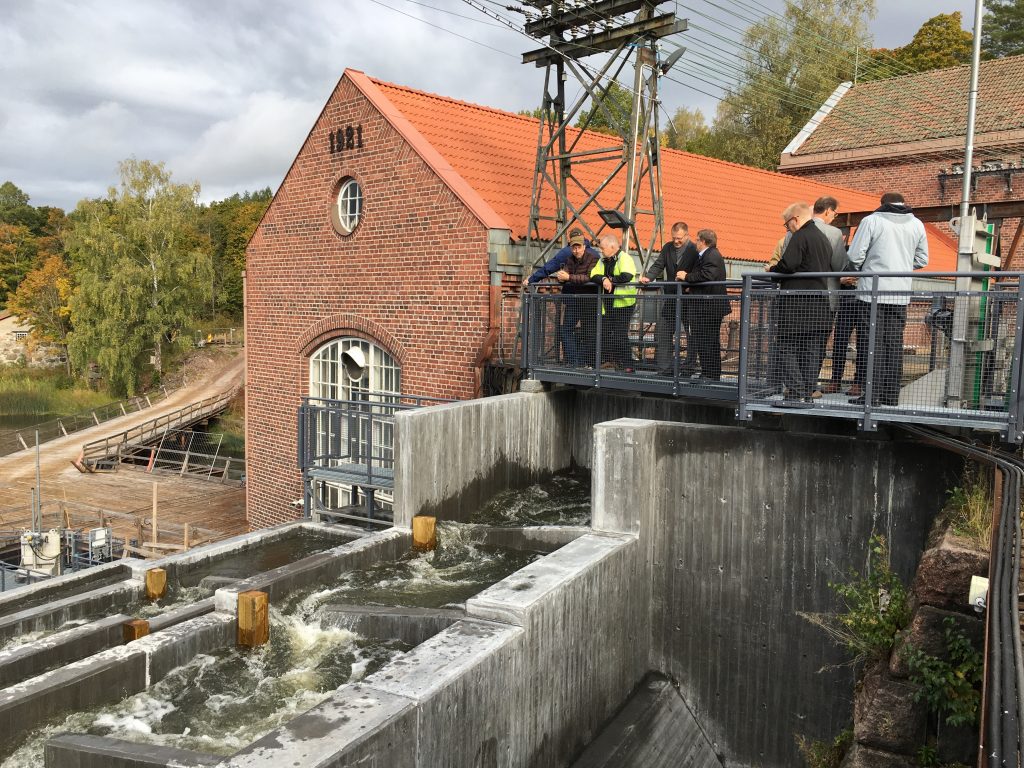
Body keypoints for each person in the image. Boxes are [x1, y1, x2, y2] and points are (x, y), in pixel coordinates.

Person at [846, 192, 928, 406]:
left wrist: (864, 268)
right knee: (893, 344)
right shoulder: (917, 223)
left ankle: (871, 396)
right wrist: (900, 267)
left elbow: (854, 257)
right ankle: (891, 396)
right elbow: (922, 259)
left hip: (871, 292)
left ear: (882, 204)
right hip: (900, 293)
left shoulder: (871, 221)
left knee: (871, 343)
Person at [768, 202, 833, 403]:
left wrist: (772, 270)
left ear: (795, 219)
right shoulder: (823, 238)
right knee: (811, 350)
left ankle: (796, 391)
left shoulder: (800, 236)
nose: (787, 228)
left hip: (797, 306)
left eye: (787, 224)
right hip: (820, 303)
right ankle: (807, 392)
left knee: (786, 347)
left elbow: (788, 265)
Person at [522, 228, 599, 366]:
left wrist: (533, 279)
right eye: (573, 246)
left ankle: (579, 362)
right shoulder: (573, 256)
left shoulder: (590, 256)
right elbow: (559, 269)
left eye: (578, 246)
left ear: (582, 244)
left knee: (581, 331)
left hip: (585, 300)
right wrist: (562, 277)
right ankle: (577, 362)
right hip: (578, 299)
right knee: (579, 330)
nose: (575, 250)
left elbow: (550, 267)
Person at [639, 222, 699, 375]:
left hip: (689, 298)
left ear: (686, 235)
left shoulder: (694, 250)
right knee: (663, 330)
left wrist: (690, 284)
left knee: (692, 334)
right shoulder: (667, 248)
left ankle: (688, 367)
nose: (676, 241)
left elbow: (699, 271)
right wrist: (648, 277)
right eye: (674, 238)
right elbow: (659, 265)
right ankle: (664, 368)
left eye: (679, 238)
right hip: (671, 297)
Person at [809, 196, 850, 395]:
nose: (834, 216)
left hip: (797, 295)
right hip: (826, 297)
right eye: (834, 212)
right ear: (827, 211)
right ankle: (810, 384)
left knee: (796, 341)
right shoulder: (833, 233)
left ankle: (794, 383)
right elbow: (839, 265)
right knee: (818, 342)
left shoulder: (795, 231)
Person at [678, 229, 729, 381]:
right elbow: (705, 278)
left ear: (704, 241)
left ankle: (710, 374)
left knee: (707, 341)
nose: (696, 243)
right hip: (706, 306)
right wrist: (691, 286)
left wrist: (686, 276)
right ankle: (709, 373)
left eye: (697, 240)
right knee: (706, 340)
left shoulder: (711, 254)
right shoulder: (707, 255)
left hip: (708, 308)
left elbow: (707, 275)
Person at [590, 233, 638, 370]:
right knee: (605, 334)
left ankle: (628, 365)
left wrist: (610, 280)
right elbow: (593, 274)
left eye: (603, 248)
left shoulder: (625, 258)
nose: (601, 251)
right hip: (609, 304)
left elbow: (627, 276)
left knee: (620, 335)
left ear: (612, 246)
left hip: (624, 303)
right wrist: (603, 279)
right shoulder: (603, 260)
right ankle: (613, 362)